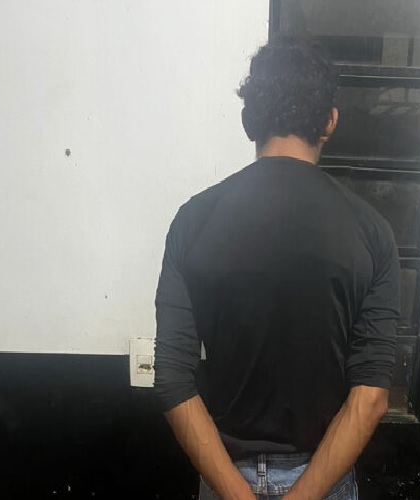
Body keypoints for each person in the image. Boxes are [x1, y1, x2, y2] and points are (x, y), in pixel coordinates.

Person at [153, 38, 400, 500]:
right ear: (330, 121)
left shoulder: (194, 221)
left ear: (249, 122)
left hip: (224, 477)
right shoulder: (372, 232)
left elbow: (171, 381)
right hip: (322, 480)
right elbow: (370, 397)